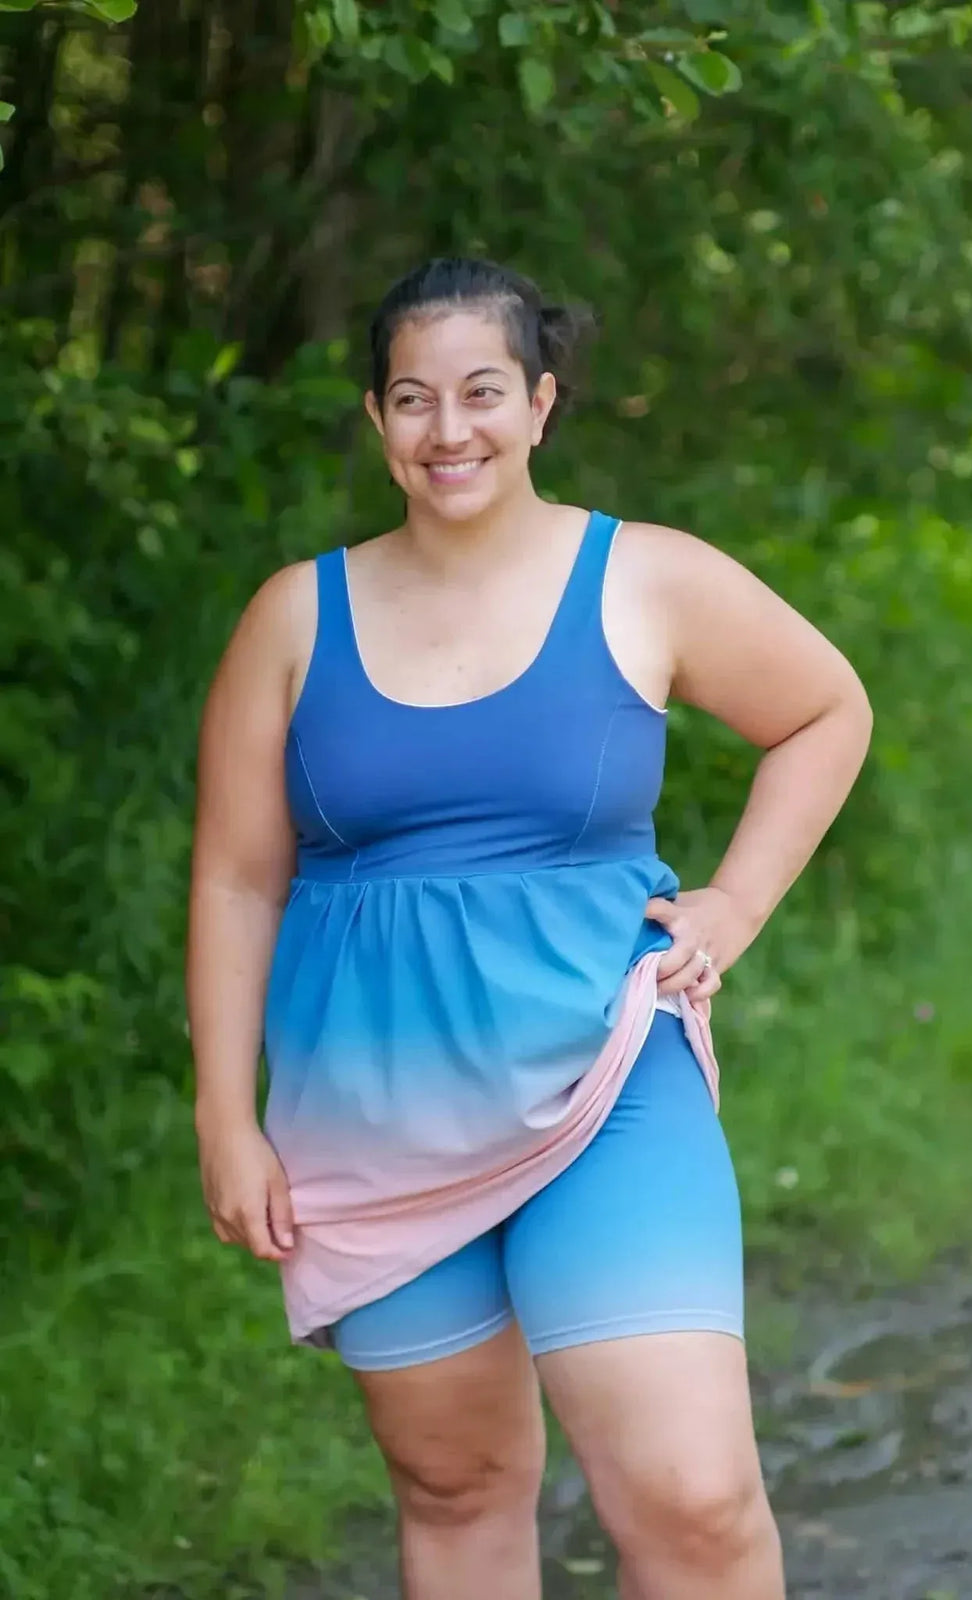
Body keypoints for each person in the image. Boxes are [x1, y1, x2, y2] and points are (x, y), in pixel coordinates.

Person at [187, 257, 872, 1600]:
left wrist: (733, 902)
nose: (450, 430)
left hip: (607, 1084)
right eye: (414, 398)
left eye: (483, 392)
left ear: (542, 403)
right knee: (456, 1490)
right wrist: (225, 1115)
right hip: (370, 1117)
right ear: (377, 418)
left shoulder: (645, 579)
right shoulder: (294, 617)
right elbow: (235, 880)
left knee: (694, 1501)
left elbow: (823, 710)